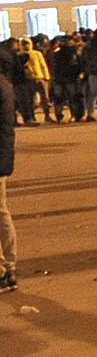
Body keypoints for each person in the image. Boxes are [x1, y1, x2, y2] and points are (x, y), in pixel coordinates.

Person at [0, 57, 17, 292]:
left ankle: (4, 270)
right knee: (2, 212)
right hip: (3, 156)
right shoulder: (5, 85)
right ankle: (9, 267)